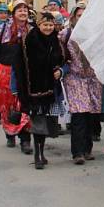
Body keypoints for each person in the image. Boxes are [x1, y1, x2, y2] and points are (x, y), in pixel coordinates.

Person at [14, 12, 64, 169]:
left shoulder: (56, 40)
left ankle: (41, 152)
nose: (48, 28)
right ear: (39, 25)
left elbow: (61, 58)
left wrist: (59, 69)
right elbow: (18, 65)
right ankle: (38, 155)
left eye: (50, 25)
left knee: (44, 121)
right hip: (32, 89)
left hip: (49, 88)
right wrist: (16, 88)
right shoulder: (29, 39)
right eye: (45, 25)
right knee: (38, 120)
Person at [0, 0, 33, 153]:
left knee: (23, 104)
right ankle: (10, 133)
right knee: (6, 105)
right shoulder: (2, 29)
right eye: (20, 10)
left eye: (25, 9)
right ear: (14, 13)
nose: (23, 12)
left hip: (24, 73)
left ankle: (25, 140)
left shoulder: (32, 30)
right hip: (4, 71)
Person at [60, 3, 103, 164]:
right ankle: (77, 152)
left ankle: (87, 149)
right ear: (73, 17)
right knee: (79, 114)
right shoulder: (66, 34)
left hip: (92, 79)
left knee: (91, 115)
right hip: (75, 78)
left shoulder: (96, 33)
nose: (82, 19)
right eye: (79, 15)